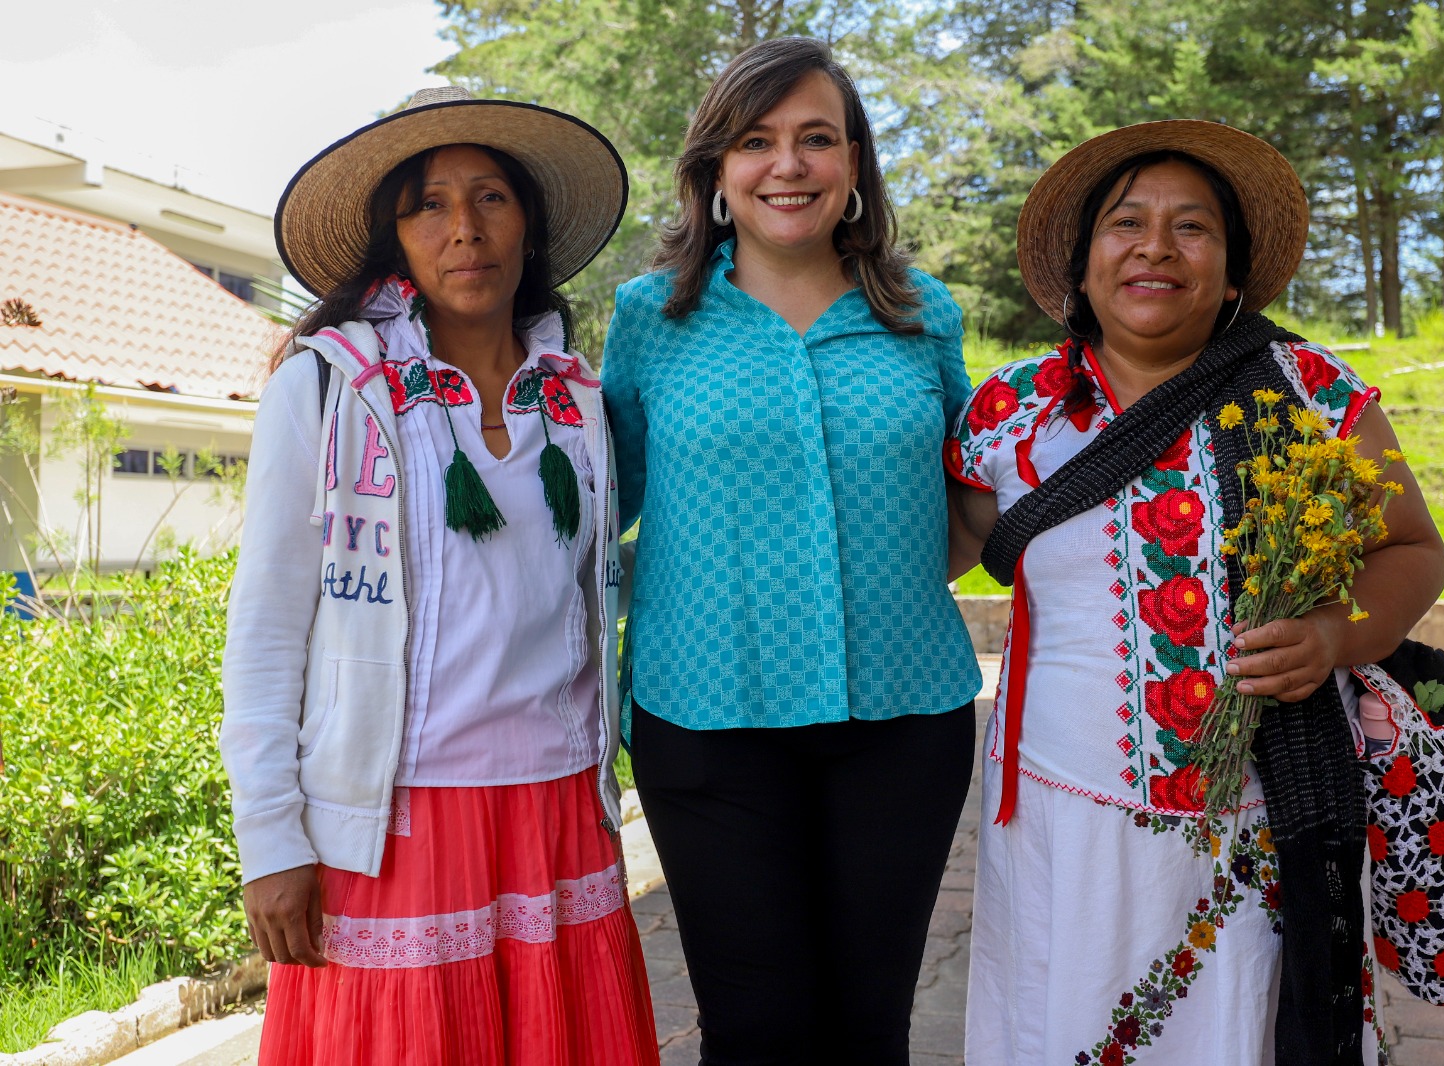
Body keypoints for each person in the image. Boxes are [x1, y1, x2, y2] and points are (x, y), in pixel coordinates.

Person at [945, 121, 1444, 1065]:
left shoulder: (1309, 393)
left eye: (1193, 228)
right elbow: (938, 551)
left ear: (1232, 275)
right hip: (1061, 817)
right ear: (1081, 268)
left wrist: (1336, 638)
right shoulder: (1011, 414)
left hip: (1261, 818)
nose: (1155, 248)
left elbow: (1414, 549)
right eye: (1126, 223)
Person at [220, 87, 658, 1065]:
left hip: (556, 819)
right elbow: (266, 625)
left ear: (530, 224)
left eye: (492, 196)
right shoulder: (329, 388)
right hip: (397, 826)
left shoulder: (577, 400)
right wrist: (272, 839)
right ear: (394, 235)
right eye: (429, 204)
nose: (465, 229)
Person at [600, 37, 982, 1065]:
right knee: (756, 1029)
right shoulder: (651, 320)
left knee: (868, 1029)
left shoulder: (921, 313)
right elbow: (599, 509)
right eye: (756, 141)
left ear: (854, 164)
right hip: (708, 719)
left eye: (817, 138)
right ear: (716, 173)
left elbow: (968, 500)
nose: (788, 164)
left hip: (905, 721)